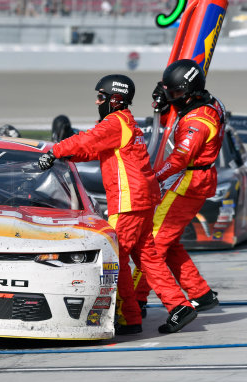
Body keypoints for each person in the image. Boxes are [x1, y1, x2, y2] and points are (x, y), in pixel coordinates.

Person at [38, 74, 197, 334]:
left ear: (114, 99)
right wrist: (64, 155)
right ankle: (179, 307)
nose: (97, 101)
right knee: (148, 258)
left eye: (101, 96)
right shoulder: (125, 123)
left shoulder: (114, 122)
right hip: (142, 200)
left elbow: (85, 141)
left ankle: (128, 316)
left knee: (115, 258)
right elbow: (90, 150)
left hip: (128, 203)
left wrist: (53, 151)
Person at [134, 59, 223, 314]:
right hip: (196, 180)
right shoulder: (209, 101)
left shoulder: (197, 122)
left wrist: (153, 177)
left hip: (188, 184)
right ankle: (200, 293)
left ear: (191, 93)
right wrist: (164, 106)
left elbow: (179, 159)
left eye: (175, 94)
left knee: (152, 243)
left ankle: (136, 299)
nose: (172, 98)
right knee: (168, 241)